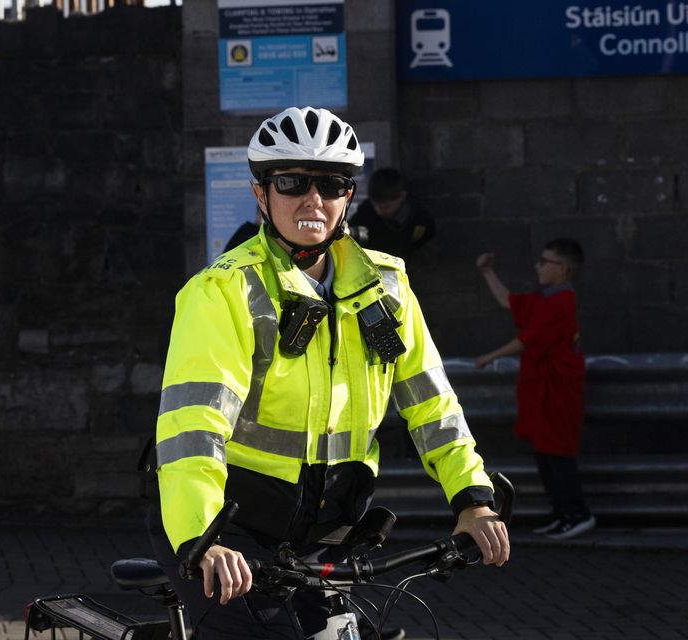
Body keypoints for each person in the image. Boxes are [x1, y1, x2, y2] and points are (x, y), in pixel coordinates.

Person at [149, 106, 509, 640]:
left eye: (331, 184)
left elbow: (433, 405)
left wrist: (473, 500)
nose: (311, 199)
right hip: (231, 530)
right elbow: (193, 429)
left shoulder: (386, 287)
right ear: (260, 194)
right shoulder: (224, 290)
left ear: (348, 197)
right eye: (292, 182)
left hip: (326, 535)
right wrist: (203, 536)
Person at [474, 239, 594, 540]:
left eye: (545, 261)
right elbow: (510, 302)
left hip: (557, 392)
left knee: (558, 453)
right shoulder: (547, 299)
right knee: (545, 453)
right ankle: (561, 512)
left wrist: (489, 357)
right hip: (545, 391)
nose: (539, 266)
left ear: (563, 269)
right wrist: (488, 273)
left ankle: (576, 514)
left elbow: (527, 339)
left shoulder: (561, 301)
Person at [347, 168, 435, 262]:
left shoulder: (419, 218)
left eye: (385, 207)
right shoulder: (365, 213)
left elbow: (427, 241)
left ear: (402, 196)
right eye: (375, 205)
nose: (379, 211)